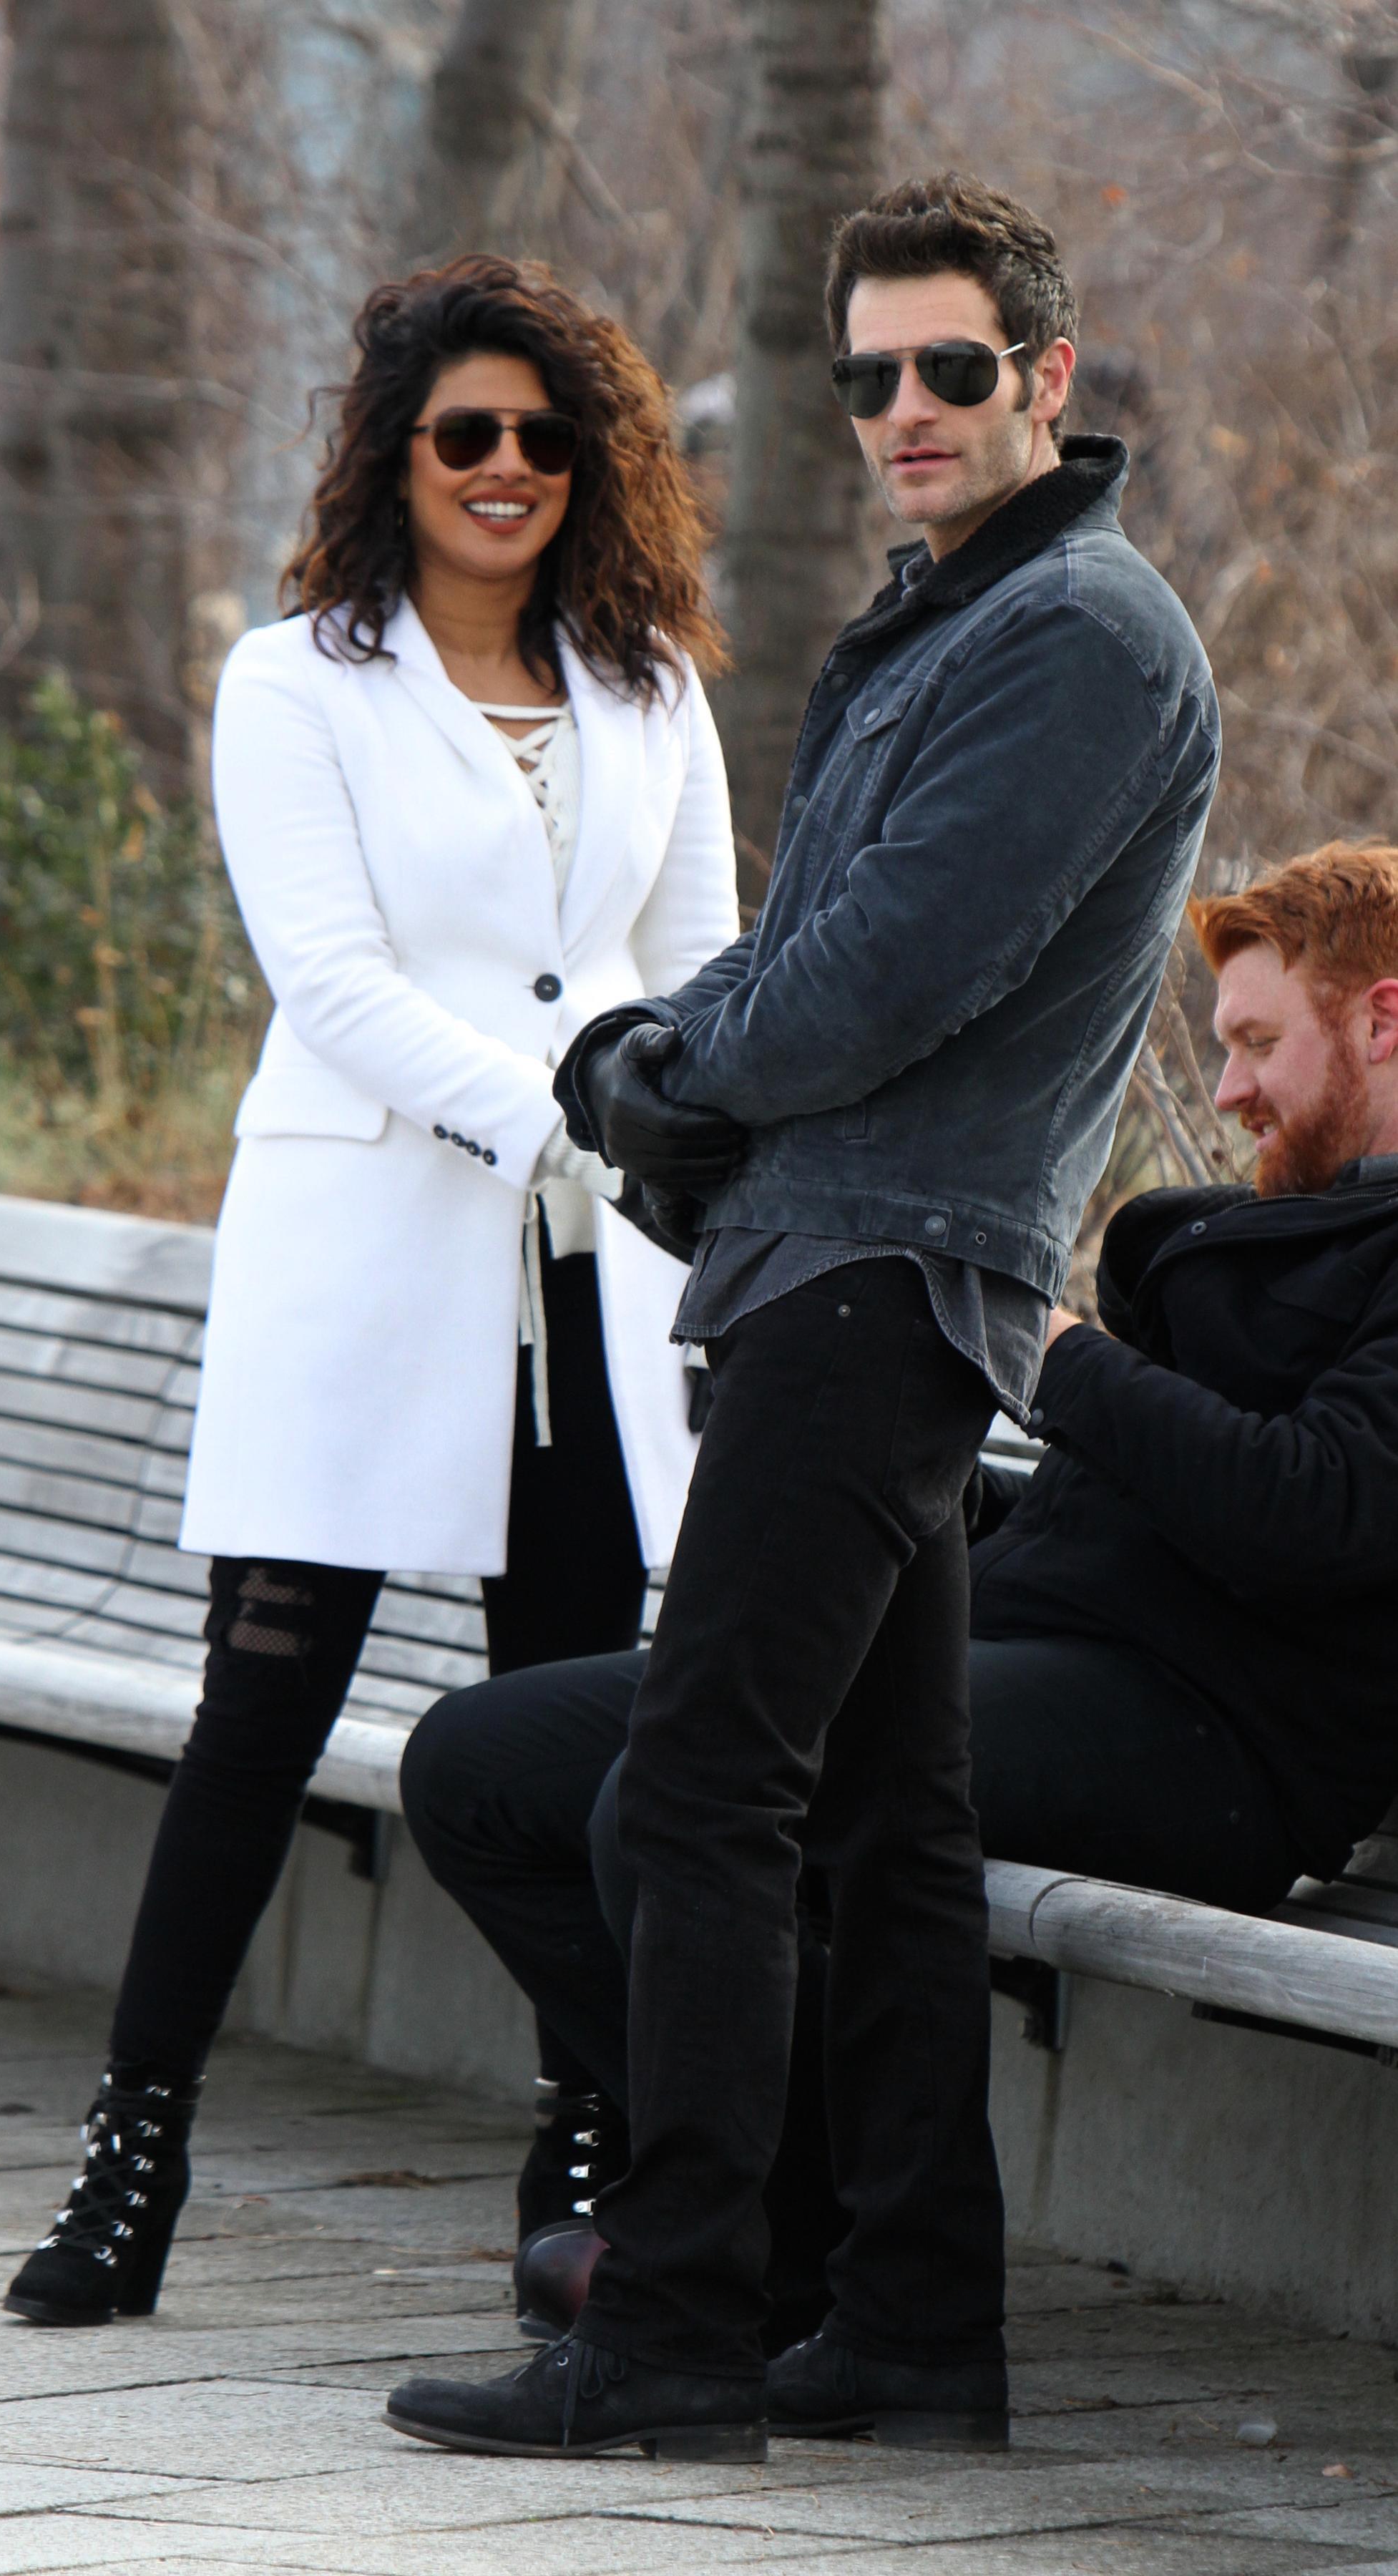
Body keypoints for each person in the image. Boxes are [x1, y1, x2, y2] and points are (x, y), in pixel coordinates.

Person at [385, 172, 1220, 2464]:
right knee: (883, 1826)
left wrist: (664, 1074)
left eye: (954, 366)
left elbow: (883, 975)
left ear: (1050, 375)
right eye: (870, 376)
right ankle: (914, 2325)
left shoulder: (1082, 638)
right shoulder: (952, 618)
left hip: (886, 1275)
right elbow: (801, 930)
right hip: (834, 1263)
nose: (906, 409)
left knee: (699, 1794)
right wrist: (652, 1053)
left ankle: (671, 2332)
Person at [3, 255, 740, 2330]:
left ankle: (583, 2152)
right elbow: (328, 981)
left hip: (585, 1289)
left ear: (594, 461)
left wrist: (682, 1139)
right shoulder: (296, 681)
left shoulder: (651, 686)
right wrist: (565, 1115)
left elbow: (701, 968)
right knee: (260, 1716)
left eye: (545, 434)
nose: (507, 466)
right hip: (367, 1255)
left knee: (564, 1717)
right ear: (395, 455)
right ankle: (130, 2157)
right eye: (464, 433)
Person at [401, 836, 1398, 2366]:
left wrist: (1052, 1353)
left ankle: (772, 2265)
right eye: (1225, 1050)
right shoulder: (1244, 1232)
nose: (1230, 1093)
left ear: (1382, 1019)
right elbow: (1097, 1503)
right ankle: (783, 2231)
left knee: (677, 1805)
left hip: (1211, 1733)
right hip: (1028, 1637)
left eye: (1258, 1043)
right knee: (479, 1768)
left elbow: (1318, 1511)